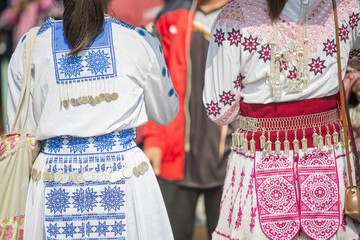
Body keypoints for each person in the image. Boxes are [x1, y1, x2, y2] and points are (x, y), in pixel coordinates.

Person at [5, 0, 179, 239]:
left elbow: (19, 129)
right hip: (124, 175)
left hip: (54, 177)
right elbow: (166, 112)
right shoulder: (140, 41)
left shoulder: (30, 46)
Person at [203, 0, 360, 239]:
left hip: (260, 154)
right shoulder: (345, 7)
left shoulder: (232, 17)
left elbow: (219, 109)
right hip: (327, 153)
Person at [141, 0, 234, 239]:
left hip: (231, 158)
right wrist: (152, 138)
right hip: (174, 154)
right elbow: (154, 87)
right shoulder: (171, 15)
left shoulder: (247, 15)